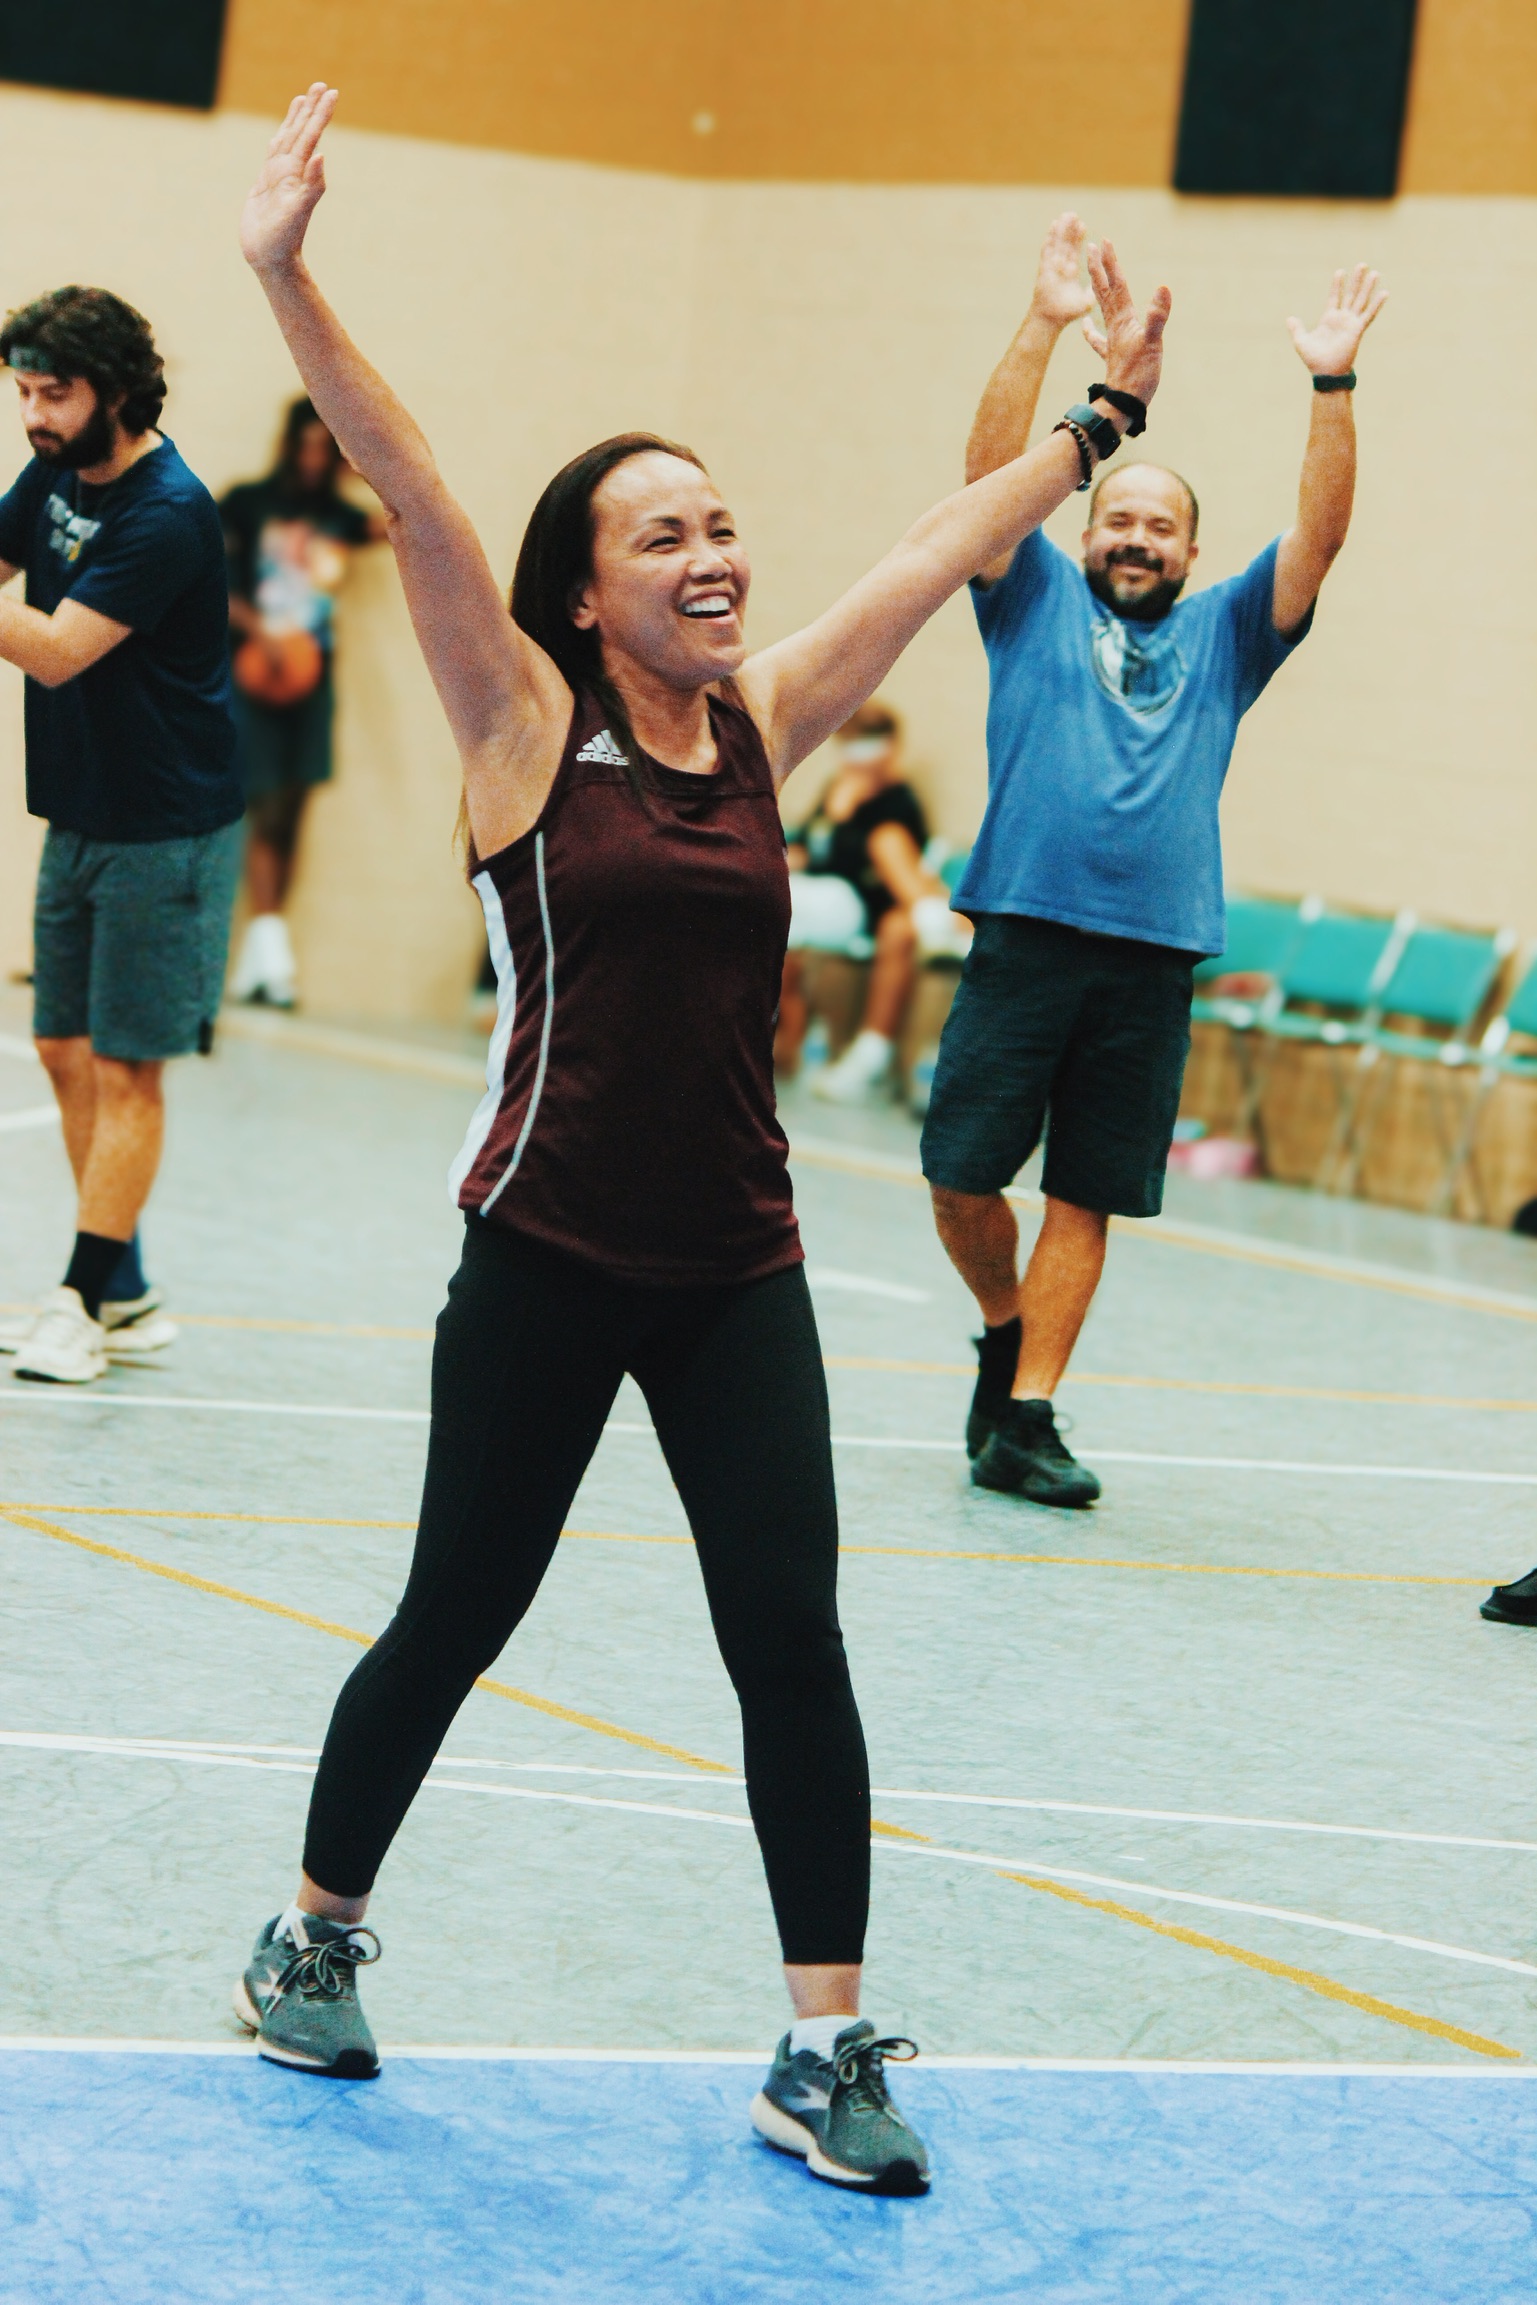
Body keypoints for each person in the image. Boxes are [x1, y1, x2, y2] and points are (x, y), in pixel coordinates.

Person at [229, 86, 1168, 2194]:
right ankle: (311, 1928)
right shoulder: (514, 726)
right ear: (583, 591)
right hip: (547, 1249)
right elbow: (414, 479)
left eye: (721, 522)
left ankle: (819, 2048)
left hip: (739, 1263)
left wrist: (1100, 428)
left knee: (790, 1640)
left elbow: (939, 550)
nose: (715, 554)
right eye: (663, 534)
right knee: (453, 1615)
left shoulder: (766, 725)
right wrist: (285, 270)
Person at [921, 212, 1386, 1509]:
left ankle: (1028, 1416)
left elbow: (1319, 537)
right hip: (1021, 930)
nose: (1134, 536)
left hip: (1152, 954)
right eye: (1116, 517)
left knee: (1087, 1191)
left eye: (1159, 527)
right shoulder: (1029, 600)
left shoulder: (1231, 636)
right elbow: (980, 482)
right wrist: (1047, 323)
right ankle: (1003, 1326)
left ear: (1189, 554)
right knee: (960, 1176)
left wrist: (1331, 383)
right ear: (1083, 534)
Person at [0, 287, 241, 1385]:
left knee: (129, 1067)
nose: (35, 414)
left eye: (55, 392)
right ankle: (128, 1292)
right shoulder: (55, 470)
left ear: (117, 390)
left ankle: (83, 1299)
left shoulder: (168, 510)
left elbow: (54, 648)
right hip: (84, 808)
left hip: (167, 823)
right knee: (61, 1048)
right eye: (23, 391)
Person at [222, 397, 384, 1007]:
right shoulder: (247, 503)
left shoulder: (339, 518)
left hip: (312, 678)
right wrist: (260, 628)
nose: (315, 458)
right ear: (289, 444)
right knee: (261, 800)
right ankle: (269, 952)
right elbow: (212, 584)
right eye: (308, 444)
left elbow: (404, 516)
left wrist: (360, 461)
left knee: (293, 808)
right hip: (255, 674)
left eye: (328, 447)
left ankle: (264, 955)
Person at [776, 700, 968, 1101]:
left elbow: (879, 860)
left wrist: (843, 815)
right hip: (826, 894)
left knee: (885, 841)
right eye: (850, 745)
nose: (856, 757)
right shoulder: (835, 788)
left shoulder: (897, 799)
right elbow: (808, 844)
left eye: (867, 746)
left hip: (866, 902)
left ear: (889, 749)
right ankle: (941, 923)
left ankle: (939, 922)